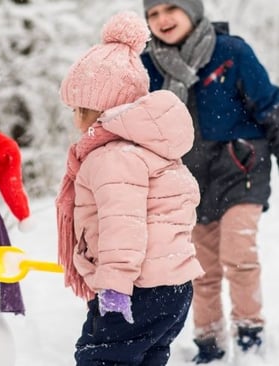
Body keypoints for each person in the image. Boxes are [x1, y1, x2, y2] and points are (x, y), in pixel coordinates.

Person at [56, 10, 204, 366]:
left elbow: (124, 224)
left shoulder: (111, 156)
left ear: (99, 110)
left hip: (137, 289)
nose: (74, 118)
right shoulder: (157, 149)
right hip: (173, 287)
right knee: (146, 356)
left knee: (102, 359)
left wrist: (116, 284)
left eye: (79, 108)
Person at [141, 0, 279, 363]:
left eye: (172, 8)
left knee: (238, 254)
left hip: (242, 166)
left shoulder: (230, 51)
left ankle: (250, 333)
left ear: (193, 11)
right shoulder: (148, 65)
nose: (162, 19)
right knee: (200, 268)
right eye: (153, 14)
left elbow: (268, 105)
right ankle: (209, 342)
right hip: (188, 181)